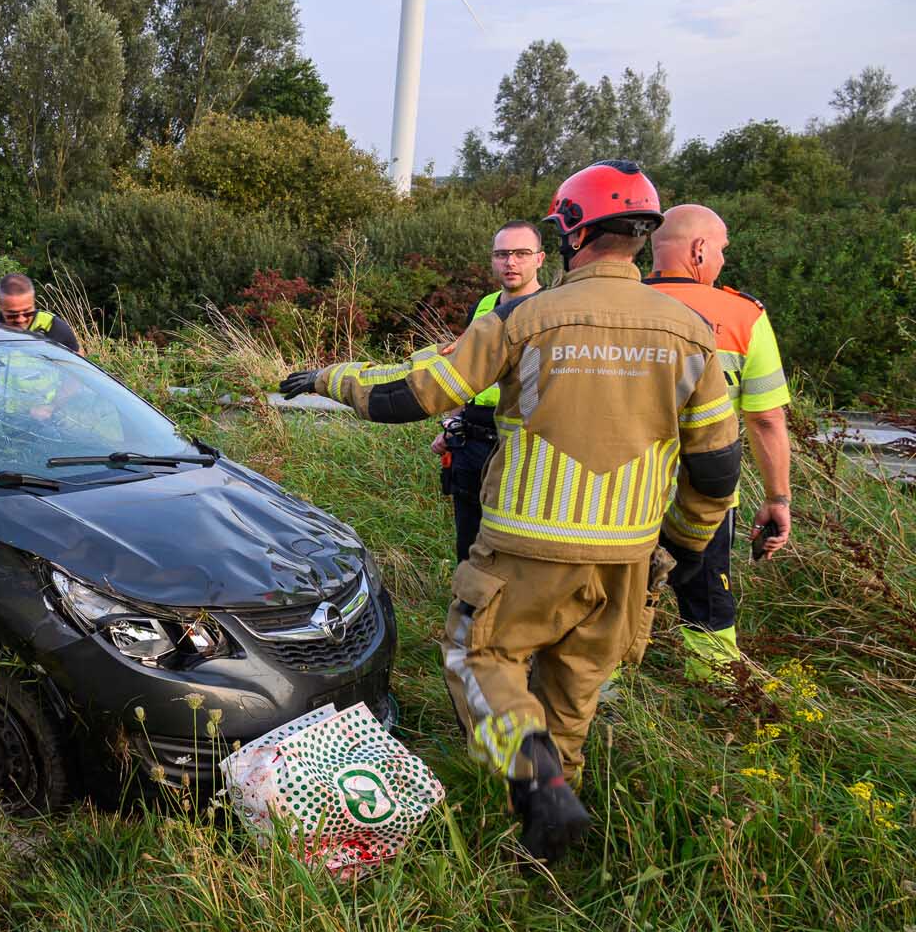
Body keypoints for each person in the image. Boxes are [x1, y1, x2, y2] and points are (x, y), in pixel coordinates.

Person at [279, 161, 740, 862]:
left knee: (476, 659)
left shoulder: (524, 319)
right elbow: (716, 466)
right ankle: (548, 850)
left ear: (570, 231)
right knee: (573, 700)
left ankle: (535, 780)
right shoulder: (691, 332)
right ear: (641, 237)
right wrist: (677, 550)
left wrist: (326, 379)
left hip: (526, 552)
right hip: (626, 563)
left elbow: (412, 394)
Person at [645, 204, 792, 679]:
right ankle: (718, 695)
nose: (724, 260)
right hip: (705, 489)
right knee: (707, 593)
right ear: (700, 249)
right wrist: (777, 498)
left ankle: (602, 699)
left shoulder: (606, 303)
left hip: (615, 487)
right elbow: (766, 419)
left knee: (608, 594)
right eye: (723, 250)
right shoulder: (743, 315)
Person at [428, 221, 548, 563]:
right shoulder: (483, 306)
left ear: (539, 259)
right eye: (502, 254)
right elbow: (462, 374)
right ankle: (468, 610)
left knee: (518, 543)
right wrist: (451, 425)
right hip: (472, 440)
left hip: (525, 443)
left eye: (521, 253)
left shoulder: (553, 309)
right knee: (469, 540)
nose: (511, 262)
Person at [0, 272, 82, 354]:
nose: (21, 319)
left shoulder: (52, 327)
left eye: (27, 312)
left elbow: (79, 370)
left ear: (33, 302)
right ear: (0, 304)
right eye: (13, 314)